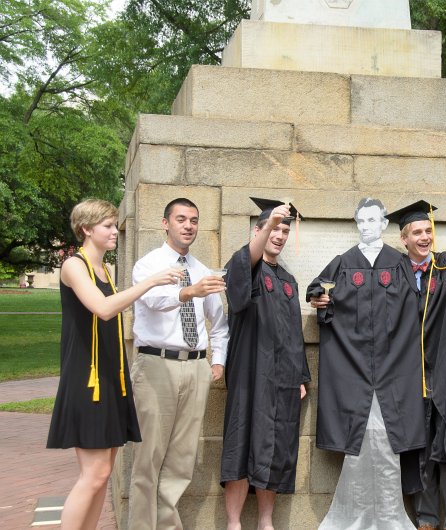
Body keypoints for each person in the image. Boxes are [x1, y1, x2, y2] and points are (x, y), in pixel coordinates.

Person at [46, 199, 180, 530]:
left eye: (113, 225)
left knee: (103, 475)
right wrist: (150, 282)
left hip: (110, 378)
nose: (114, 231)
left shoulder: (106, 269)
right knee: (93, 475)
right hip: (86, 379)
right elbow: (103, 308)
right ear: (86, 229)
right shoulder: (73, 266)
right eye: (107, 226)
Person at [307, 197, 425, 530]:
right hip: (355, 368)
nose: (367, 226)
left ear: (384, 224)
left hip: (393, 368)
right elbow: (318, 291)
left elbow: (419, 307)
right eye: (361, 221)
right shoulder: (344, 263)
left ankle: (390, 516)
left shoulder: (399, 263)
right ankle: (352, 515)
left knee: (389, 448)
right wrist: (320, 298)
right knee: (357, 448)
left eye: (373, 220)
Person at [128, 197, 229, 530]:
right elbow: (154, 300)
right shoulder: (148, 265)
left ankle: (168, 525)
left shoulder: (202, 271)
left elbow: (219, 322)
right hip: (156, 366)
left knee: (182, 460)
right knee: (148, 458)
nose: (189, 226)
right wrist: (188, 292)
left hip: (196, 369)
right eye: (182, 219)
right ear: (165, 223)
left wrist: (218, 361)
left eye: (194, 220)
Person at [382, 200, 446, 530]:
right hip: (409, 375)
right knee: (417, 445)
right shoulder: (393, 274)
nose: (424, 237)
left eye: (428, 231)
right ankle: (425, 516)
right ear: (404, 239)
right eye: (417, 233)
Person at [221, 198, 310, 530]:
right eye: (274, 228)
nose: (280, 235)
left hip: (284, 381)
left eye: (286, 230)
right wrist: (270, 221)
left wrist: (300, 376)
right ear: (258, 231)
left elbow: (294, 336)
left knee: (274, 449)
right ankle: (233, 523)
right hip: (250, 375)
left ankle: (265, 522)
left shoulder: (288, 281)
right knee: (242, 444)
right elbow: (245, 264)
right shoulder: (245, 267)